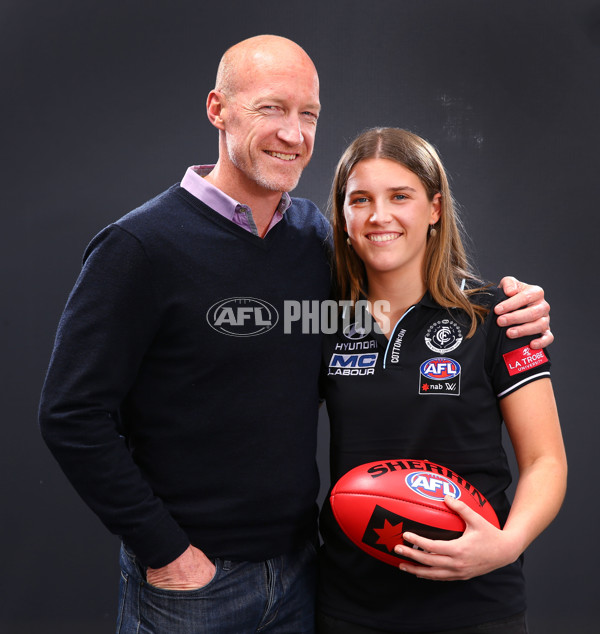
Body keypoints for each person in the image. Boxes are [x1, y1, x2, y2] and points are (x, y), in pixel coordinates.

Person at [38, 35, 553, 634]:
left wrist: (509, 303)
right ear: (217, 110)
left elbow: (404, 281)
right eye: (271, 108)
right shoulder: (140, 247)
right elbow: (71, 414)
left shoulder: (315, 241)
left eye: (308, 113)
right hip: (193, 584)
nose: (293, 132)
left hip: (305, 572)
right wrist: (169, 554)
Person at [317, 127, 567, 634]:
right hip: (350, 606)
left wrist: (508, 543)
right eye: (360, 199)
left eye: (400, 197)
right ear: (343, 218)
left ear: (434, 209)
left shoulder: (497, 315)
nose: (379, 216)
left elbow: (546, 460)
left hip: (475, 603)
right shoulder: (322, 321)